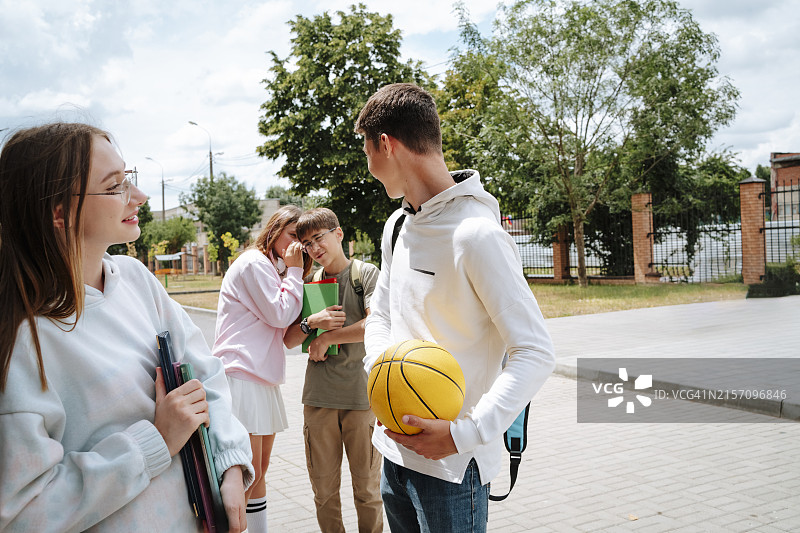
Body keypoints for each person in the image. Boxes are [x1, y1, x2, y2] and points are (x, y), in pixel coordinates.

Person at [0, 122, 255, 532]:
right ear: (59, 213)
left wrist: (229, 463)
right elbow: (23, 512)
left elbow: (205, 374)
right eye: (114, 186)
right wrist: (155, 441)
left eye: (128, 178)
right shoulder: (22, 338)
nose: (138, 196)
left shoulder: (136, 278)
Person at [354, 83, 556, 532]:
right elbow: (381, 316)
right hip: (392, 456)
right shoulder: (396, 226)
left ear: (386, 144)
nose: (368, 167)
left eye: (367, 152)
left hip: (453, 470)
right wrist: (384, 378)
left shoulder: (477, 235)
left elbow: (536, 352)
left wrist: (466, 433)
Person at [212, 204, 312, 533]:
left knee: (260, 470)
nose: (297, 245)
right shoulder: (254, 263)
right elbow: (280, 315)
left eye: (302, 240)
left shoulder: (272, 268)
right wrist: (295, 271)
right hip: (242, 375)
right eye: (292, 235)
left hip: (261, 378)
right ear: (275, 230)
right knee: (247, 472)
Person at [284, 207, 383, 533]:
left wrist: (328, 338)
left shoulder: (364, 274)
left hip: (360, 399)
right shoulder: (310, 281)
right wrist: (311, 323)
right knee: (324, 494)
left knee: (367, 492)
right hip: (319, 400)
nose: (314, 248)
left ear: (338, 234)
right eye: (307, 244)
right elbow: (290, 339)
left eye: (319, 238)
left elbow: (375, 325)